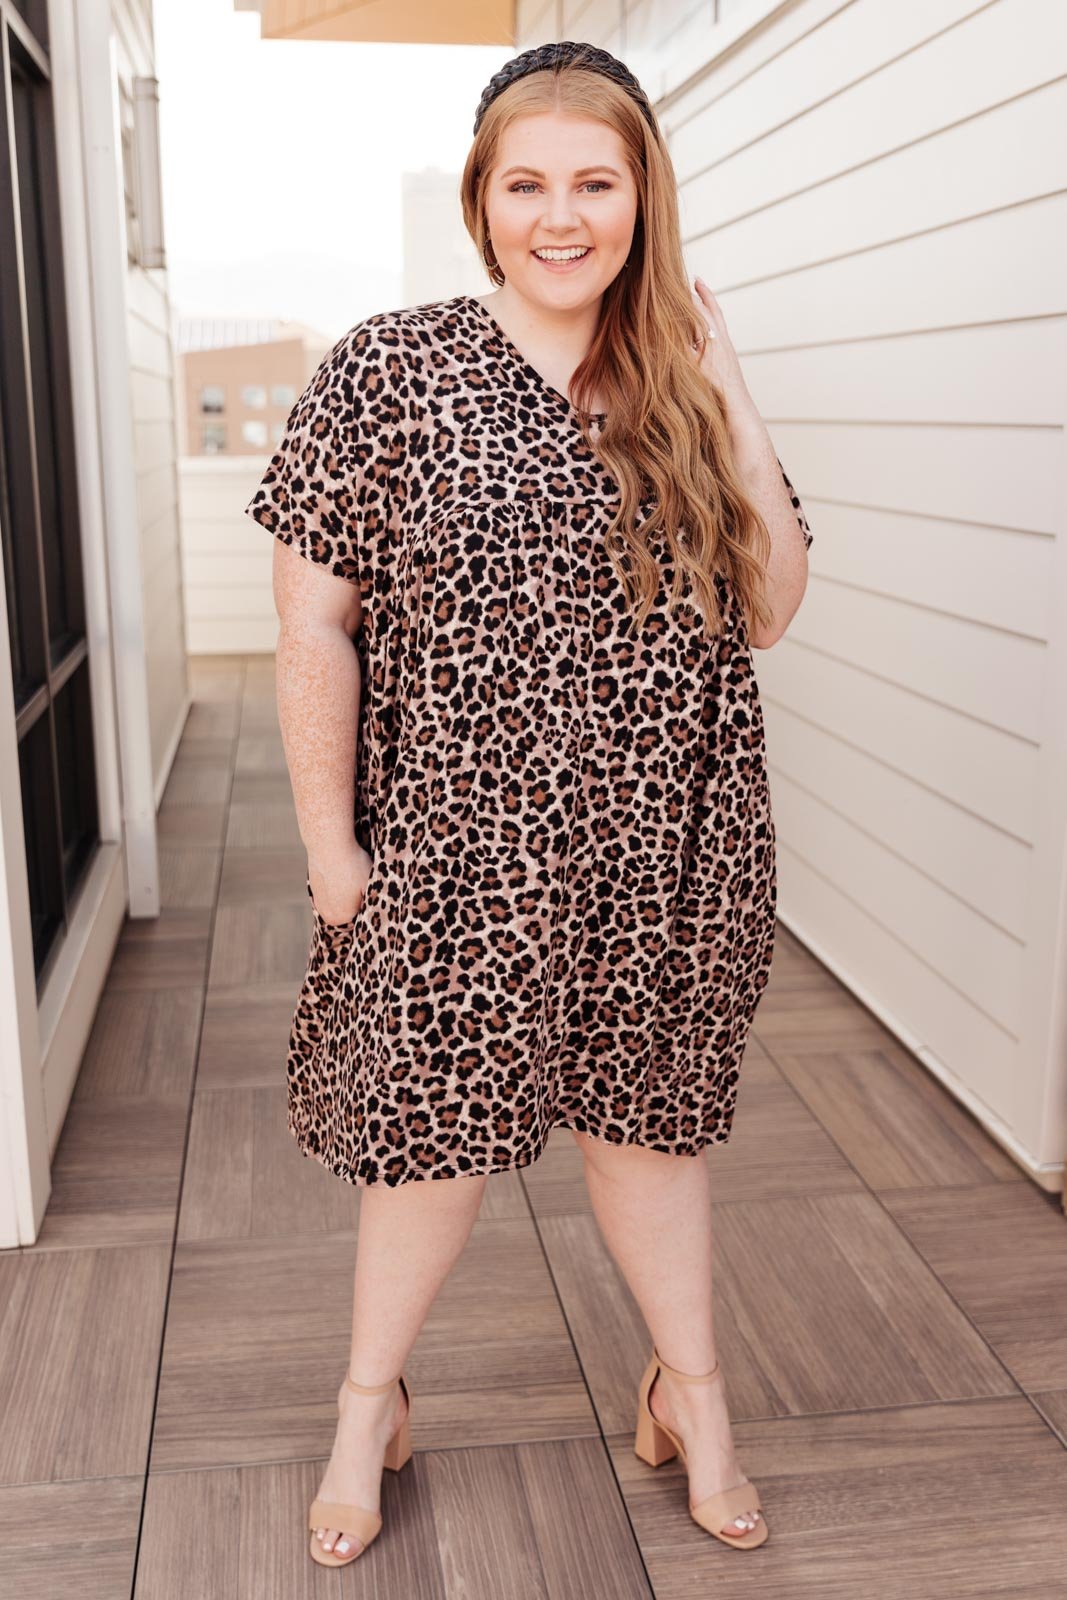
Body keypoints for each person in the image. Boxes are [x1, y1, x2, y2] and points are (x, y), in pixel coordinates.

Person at [244, 39, 813, 1573]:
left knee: (651, 1136)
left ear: (644, 199)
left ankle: (692, 1394)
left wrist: (730, 384)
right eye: (528, 185)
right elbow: (313, 622)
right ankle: (368, 1406)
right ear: (482, 201)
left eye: (597, 183)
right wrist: (332, 851)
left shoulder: (680, 381)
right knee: (428, 1142)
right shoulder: (391, 367)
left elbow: (772, 608)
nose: (562, 217)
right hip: (457, 851)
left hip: (669, 849)